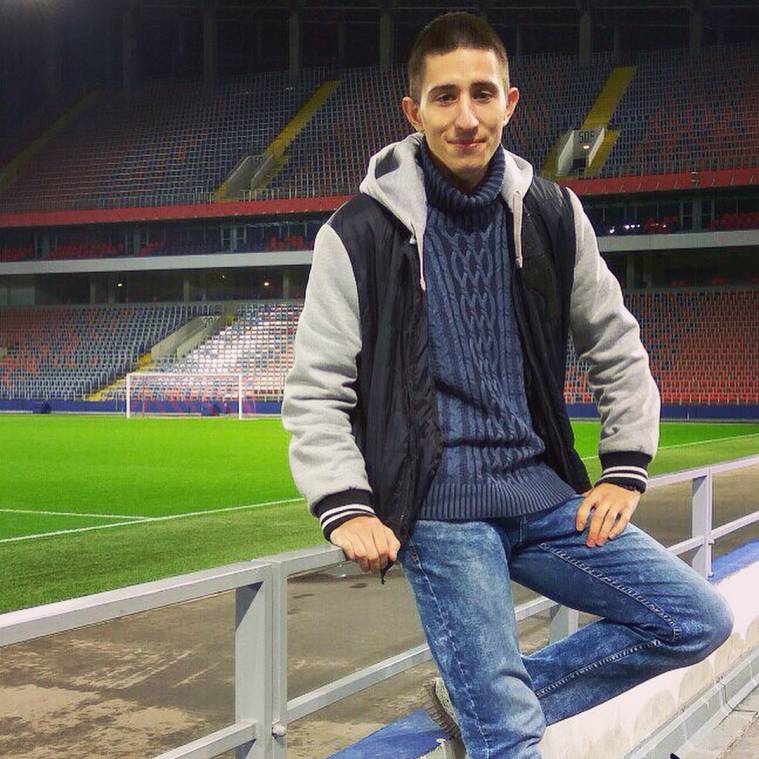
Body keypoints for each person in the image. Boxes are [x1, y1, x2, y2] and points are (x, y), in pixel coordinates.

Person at [281, 11, 734, 758]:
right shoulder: (357, 233)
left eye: (482, 94)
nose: (465, 117)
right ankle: (494, 711)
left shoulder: (552, 213)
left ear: (509, 102)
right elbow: (316, 388)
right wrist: (344, 503)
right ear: (413, 111)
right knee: (512, 738)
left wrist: (624, 466)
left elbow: (614, 343)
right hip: (441, 509)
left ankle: (483, 704)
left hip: (544, 494)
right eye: (445, 97)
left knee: (695, 620)